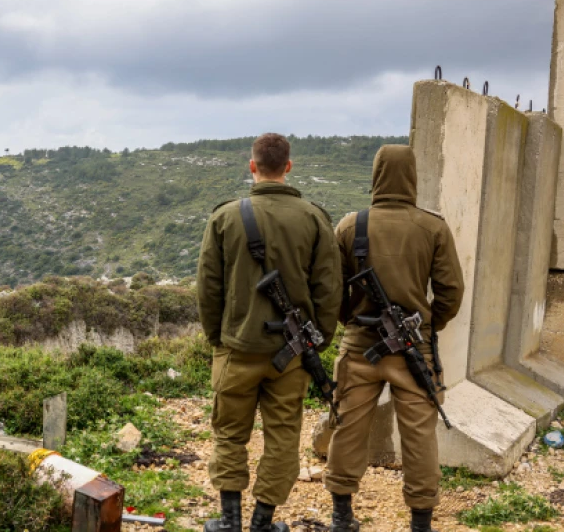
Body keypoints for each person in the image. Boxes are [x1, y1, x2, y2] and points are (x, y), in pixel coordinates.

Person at [197, 133, 343, 532]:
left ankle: (229, 522)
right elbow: (329, 290)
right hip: (293, 355)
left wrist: (218, 338)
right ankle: (262, 522)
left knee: (229, 434)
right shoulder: (314, 218)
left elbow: (208, 287)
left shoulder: (225, 218)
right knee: (282, 438)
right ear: (289, 167)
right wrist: (317, 341)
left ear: (253, 166)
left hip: (237, 348)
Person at [324, 144, 464, 532]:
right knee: (419, 434)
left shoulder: (351, 225)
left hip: (359, 347)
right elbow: (451, 291)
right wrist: (428, 326)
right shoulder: (432, 226)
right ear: (412, 177)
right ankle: (420, 522)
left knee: (349, 426)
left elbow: (333, 290)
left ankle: (341, 515)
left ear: (376, 176)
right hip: (412, 349)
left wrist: (350, 320)